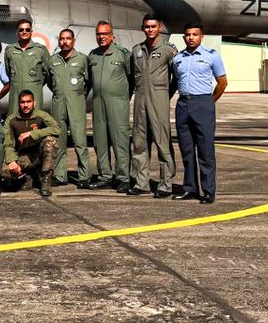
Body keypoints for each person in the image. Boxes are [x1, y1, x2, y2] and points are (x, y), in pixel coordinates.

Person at [171, 23, 227, 204]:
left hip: (203, 103)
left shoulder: (211, 56)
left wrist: (209, 102)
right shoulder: (177, 58)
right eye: (188, 35)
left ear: (201, 37)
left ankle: (208, 191)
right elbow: (175, 81)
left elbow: (222, 82)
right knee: (186, 150)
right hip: (183, 104)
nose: (191, 38)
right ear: (184, 37)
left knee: (205, 150)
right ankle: (190, 188)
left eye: (195, 34)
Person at [129, 13, 179, 197]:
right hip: (140, 102)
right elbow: (132, 77)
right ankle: (141, 183)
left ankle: (165, 185)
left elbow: (177, 76)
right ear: (143, 28)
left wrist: (166, 94)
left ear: (159, 28)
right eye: (147, 27)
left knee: (162, 143)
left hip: (159, 102)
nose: (150, 30)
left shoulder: (168, 50)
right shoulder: (137, 50)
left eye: (153, 26)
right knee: (139, 143)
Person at [88, 20, 133, 191]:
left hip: (117, 104)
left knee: (120, 141)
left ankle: (123, 178)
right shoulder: (93, 55)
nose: (101, 37)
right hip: (98, 104)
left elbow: (132, 79)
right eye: (98, 34)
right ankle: (105, 176)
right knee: (100, 142)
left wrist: (123, 97)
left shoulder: (123, 54)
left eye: (105, 34)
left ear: (112, 36)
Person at [46, 28, 91, 189]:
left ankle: (84, 176)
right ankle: (60, 175)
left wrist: (77, 95)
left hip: (76, 104)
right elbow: (50, 82)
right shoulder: (53, 60)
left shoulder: (82, 59)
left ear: (73, 41)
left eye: (68, 39)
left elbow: (88, 81)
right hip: (58, 104)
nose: (64, 42)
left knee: (80, 141)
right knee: (59, 141)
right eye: (62, 39)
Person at [0, 90, 60, 197]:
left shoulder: (41, 115)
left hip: (39, 155)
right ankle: (26, 177)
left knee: (50, 142)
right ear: (19, 104)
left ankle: (45, 180)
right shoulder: (11, 119)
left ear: (34, 103)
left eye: (28, 102)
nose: (25, 105)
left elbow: (57, 129)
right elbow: (7, 143)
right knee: (2, 171)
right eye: (22, 102)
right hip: (23, 157)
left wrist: (32, 133)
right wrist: (12, 161)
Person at [4, 18, 49, 108]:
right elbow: (8, 71)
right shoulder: (10, 50)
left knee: (35, 115)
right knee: (15, 115)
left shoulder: (40, 50)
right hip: (16, 92)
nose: (24, 32)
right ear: (17, 33)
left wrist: (36, 84)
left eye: (27, 30)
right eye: (21, 30)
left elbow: (48, 72)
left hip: (34, 92)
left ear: (31, 32)